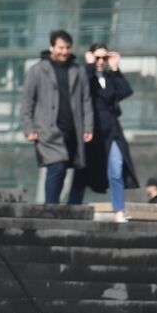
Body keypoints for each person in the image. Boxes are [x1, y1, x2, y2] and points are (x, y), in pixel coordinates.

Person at [20, 29, 93, 205]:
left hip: (73, 130)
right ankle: (51, 207)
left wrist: (88, 127)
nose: (64, 52)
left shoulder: (78, 70)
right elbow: (27, 101)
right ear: (51, 46)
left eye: (67, 48)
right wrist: (28, 128)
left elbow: (86, 101)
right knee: (57, 167)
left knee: (77, 169)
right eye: (60, 47)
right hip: (47, 130)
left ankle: (71, 208)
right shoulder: (37, 70)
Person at [72, 43, 138, 222]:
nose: (101, 61)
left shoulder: (110, 77)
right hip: (91, 131)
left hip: (112, 131)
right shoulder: (85, 75)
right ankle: (73, 207)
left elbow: (125, 91)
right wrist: (89, 65)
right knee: (83, 171)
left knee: (116, 170)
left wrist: (115, 67)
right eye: (98, 57)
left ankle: (119, 211)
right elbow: (80, 89)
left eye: (104, 58)